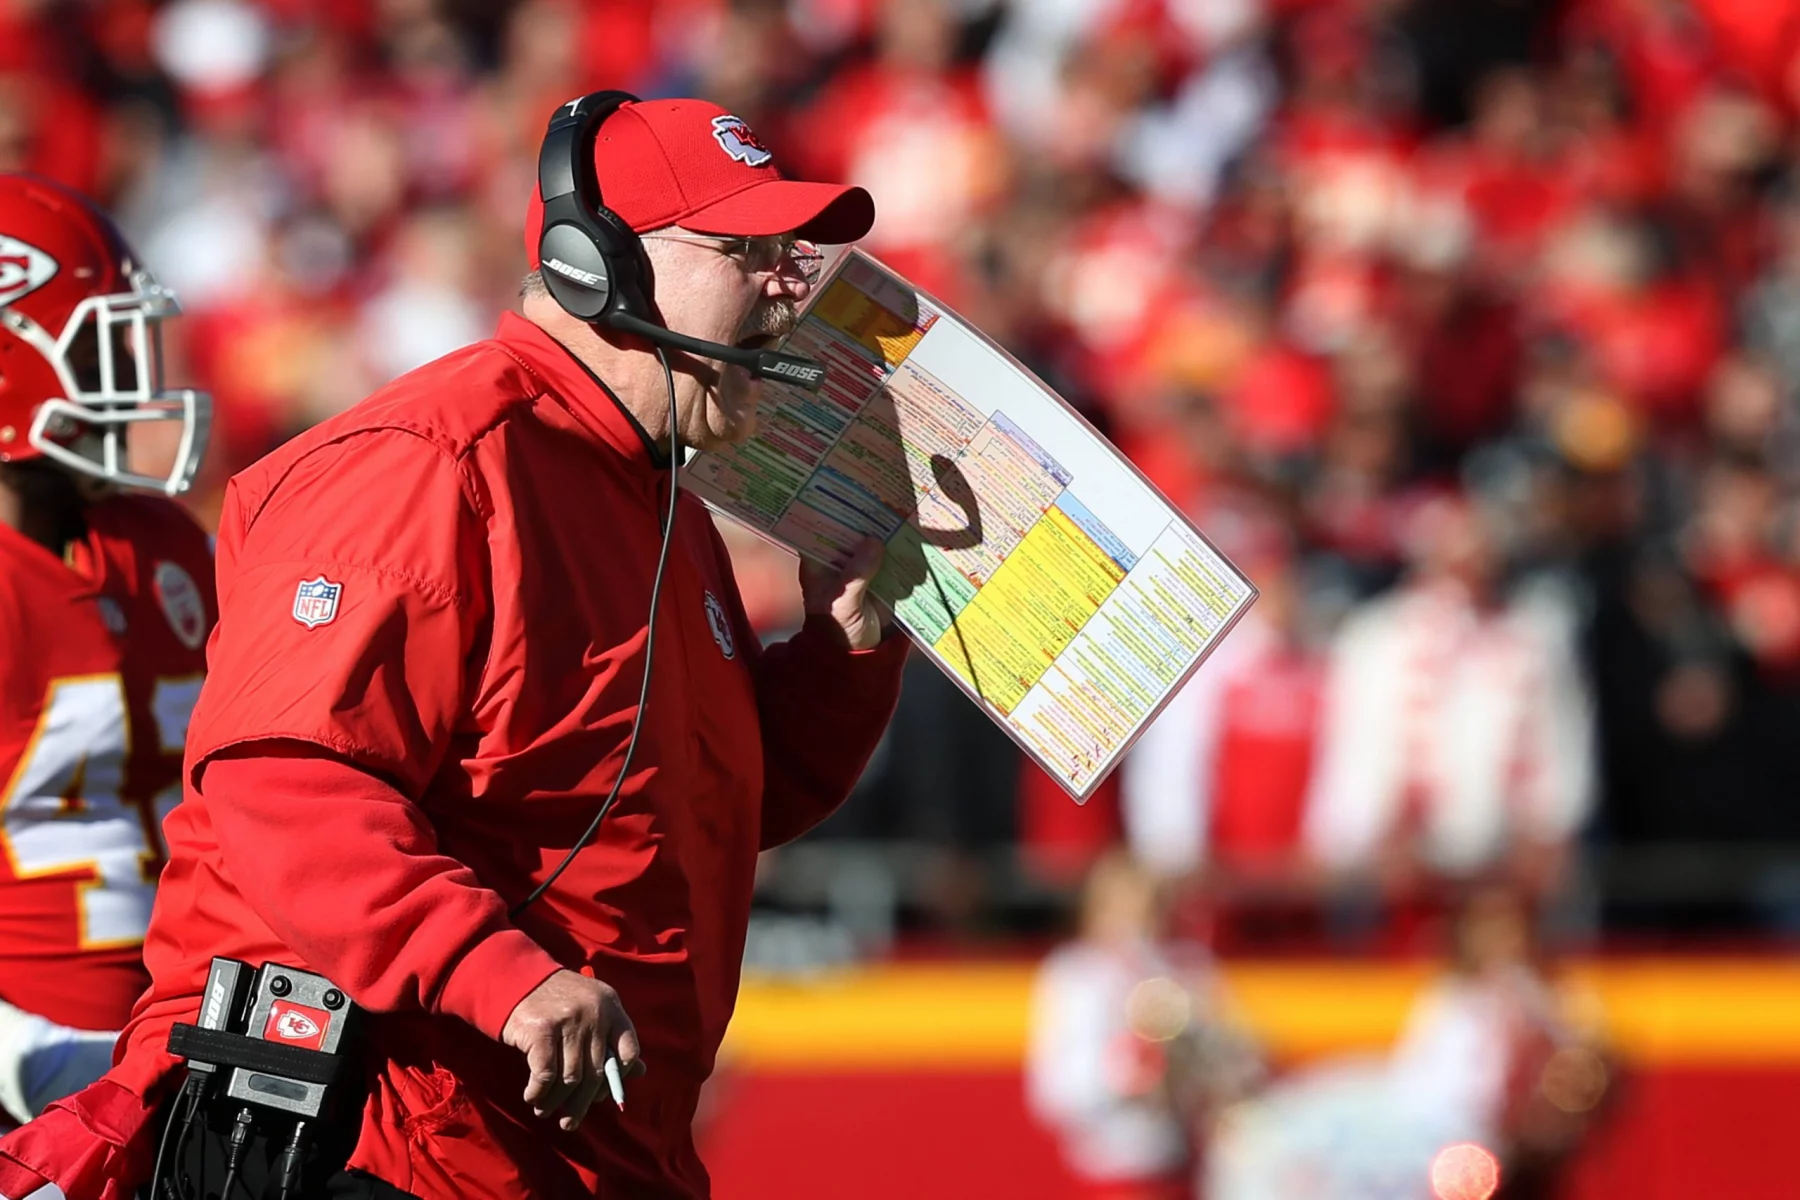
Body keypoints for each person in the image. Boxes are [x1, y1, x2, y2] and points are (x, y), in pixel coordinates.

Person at [0, 97, 906, 1198]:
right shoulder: (428, 467)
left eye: (790, 257)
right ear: (597, 266)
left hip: (578, 1155)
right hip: (390, 1145)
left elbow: (701, 810)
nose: (786, 288)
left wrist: (842, 652)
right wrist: (503, 978)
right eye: (746, 251)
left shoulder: (647, 492)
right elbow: (288, 785)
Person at [0, 173, 214, 1125]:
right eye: (96, 345)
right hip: (30, 1066)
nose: (130, 373)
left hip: (177, 1043)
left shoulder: (162, 544)